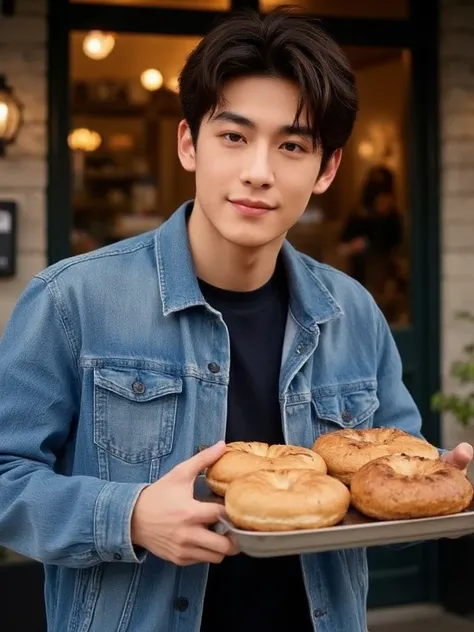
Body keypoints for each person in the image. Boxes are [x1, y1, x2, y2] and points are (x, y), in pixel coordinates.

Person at [0, 7, 471, 632]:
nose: (259, 171)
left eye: (293, 145)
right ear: (188, 143)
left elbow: (385, 501)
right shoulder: (74, 299)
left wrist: (437, 493)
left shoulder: (353, 313)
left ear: (326, 169)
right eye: (234, 136)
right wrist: (130, 516)